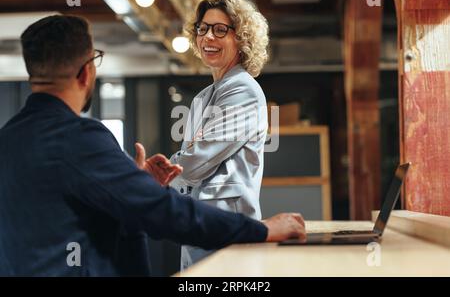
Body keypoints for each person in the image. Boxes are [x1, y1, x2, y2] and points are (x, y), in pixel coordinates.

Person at [0, 15, 306, 276]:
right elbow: (162, 212)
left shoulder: (7, 140)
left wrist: (133, 185)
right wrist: (262, 230)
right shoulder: (80, 138)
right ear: (87, 72)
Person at [149, 0, 271, 270]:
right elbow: (192, 160)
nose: (208, 38)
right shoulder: (203, 97)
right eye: (202, 29)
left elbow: (194, 164)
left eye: (220, 30)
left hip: (228, 228)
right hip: (200, 223)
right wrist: (183, 161)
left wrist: (171, 168)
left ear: (241, 39)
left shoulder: (244, 90)